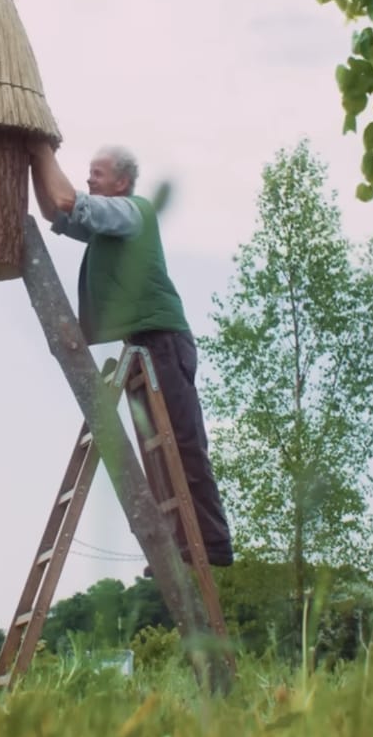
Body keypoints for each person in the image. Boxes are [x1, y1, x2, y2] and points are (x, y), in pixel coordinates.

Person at [28, 140, 234, 569]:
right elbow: (55, 211)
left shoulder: (130, 211)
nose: (89, 179)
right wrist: (35, 158)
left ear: (121, 182)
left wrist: (42, 148)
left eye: (97, 173)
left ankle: (211, 545)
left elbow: (68, 199)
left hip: (163, 339)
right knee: (157, 452)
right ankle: (175, 546)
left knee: (183, 442)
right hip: (139, 344)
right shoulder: (109, 222)